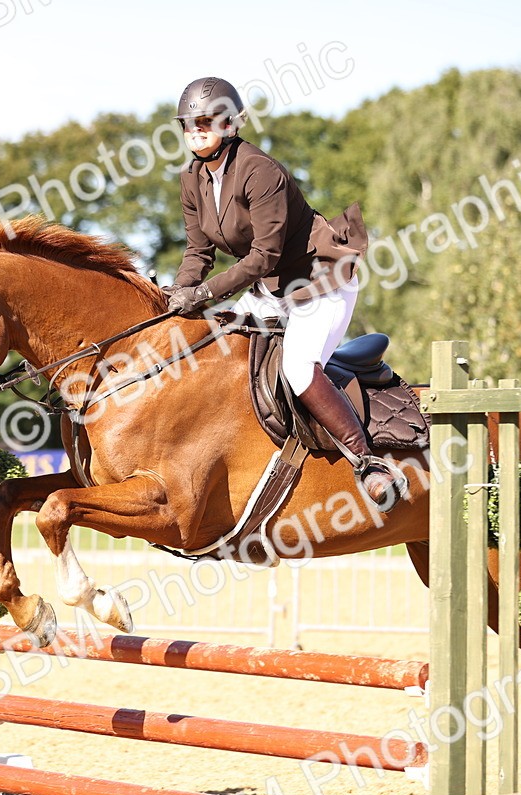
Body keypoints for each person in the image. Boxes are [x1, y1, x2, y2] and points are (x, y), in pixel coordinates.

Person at [163, 76, 397, 507]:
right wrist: (177, 294)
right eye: (187, 123)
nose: (194, 130)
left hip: (320, 282)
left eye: (204, 121)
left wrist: (201, 296)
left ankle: (368, 463)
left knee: (298, 367)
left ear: (230, 124)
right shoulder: (192, 178)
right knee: (217, 348)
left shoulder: (260, 170)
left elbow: (263, 257)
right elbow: (198, 251)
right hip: (271, 289)